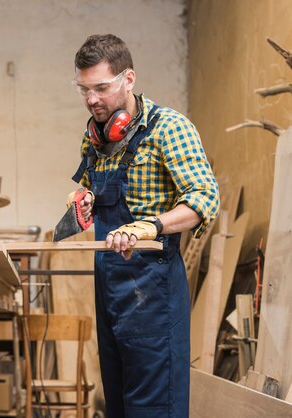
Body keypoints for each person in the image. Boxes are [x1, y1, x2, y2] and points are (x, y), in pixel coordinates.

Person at [67, 34, 219, 418]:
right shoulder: (95, 139)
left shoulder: (169, 128)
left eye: (101, 88)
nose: (92, 100)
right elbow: (89, 188)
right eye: (84, 90)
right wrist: (82, 199)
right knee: (119, 405)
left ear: (129, 79)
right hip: (109, 288)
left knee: (153, 407)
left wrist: (150, 227)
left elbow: (205, 198)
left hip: (153, 289)